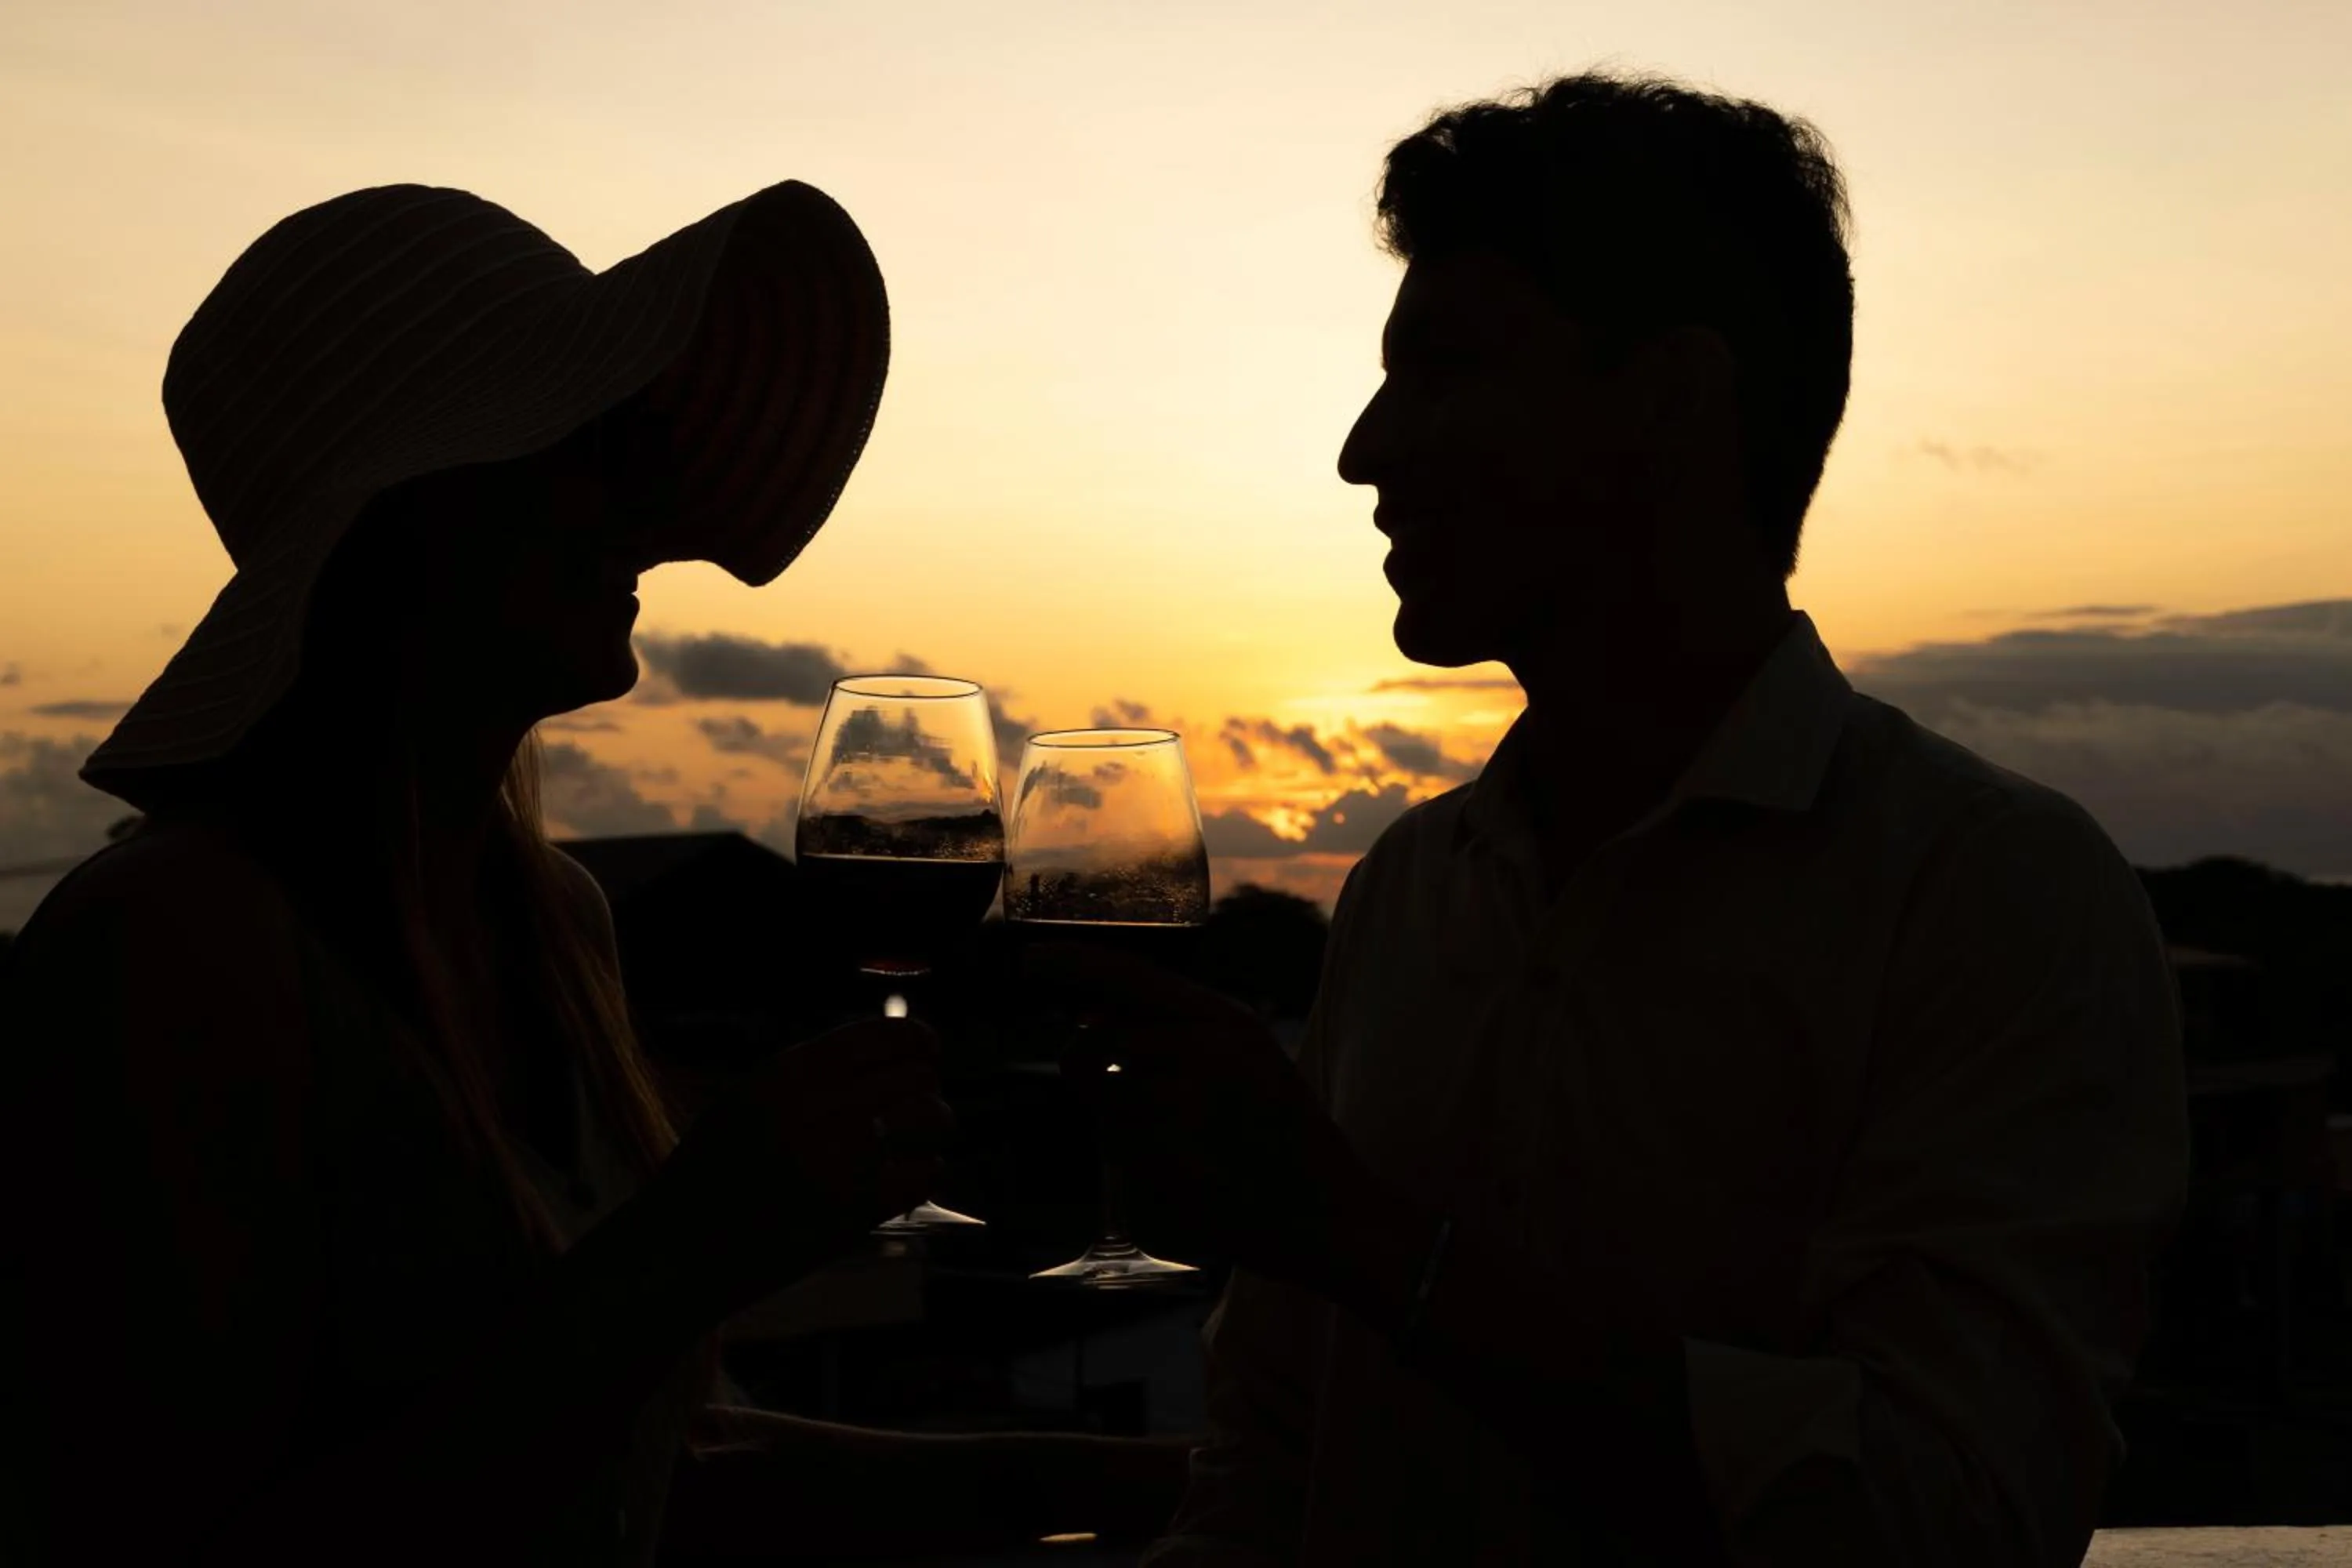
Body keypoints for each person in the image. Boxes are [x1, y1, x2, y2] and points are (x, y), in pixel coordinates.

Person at [1037, 73, 2190, 1566]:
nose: (1363, 451)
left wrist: (1359, 1243)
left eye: (1444, 372)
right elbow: (1271, 1467)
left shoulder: (1994, 899)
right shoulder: (1405, 893)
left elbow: (1951, 1515)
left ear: (1668, 405)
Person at [0, 182, 1183, 1565]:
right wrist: (694, 1239)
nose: (652, 488)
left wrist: (1133, 1488)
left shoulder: (553, 922)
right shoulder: (170, 946)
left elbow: (642, 1478)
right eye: (590, 430)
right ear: (419, 507)